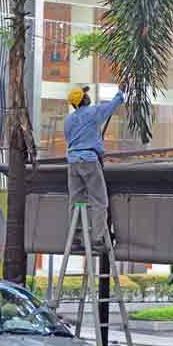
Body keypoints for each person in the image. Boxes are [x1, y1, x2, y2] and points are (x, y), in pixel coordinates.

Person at [64, 82, 126, 252]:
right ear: (83, 99)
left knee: (75, 201)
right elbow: (112, 106)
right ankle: (98, 239)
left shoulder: (68, 120)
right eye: (85, 94)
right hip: (90, 160)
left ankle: (75, 239)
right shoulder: (93, 113)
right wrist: (120, 92)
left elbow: (71, 140)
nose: (87, 95)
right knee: (99, 200)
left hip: (73, 162)